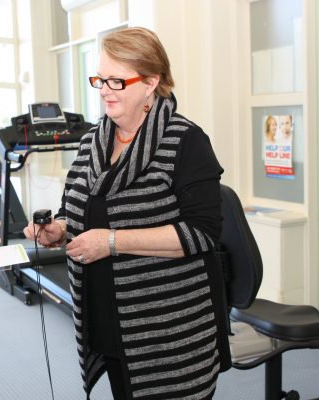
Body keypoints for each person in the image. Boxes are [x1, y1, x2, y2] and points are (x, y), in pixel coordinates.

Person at [24, 27, 229, 400]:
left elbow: (201, 233)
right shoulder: (92, 140)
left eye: (116, 81)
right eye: (100, 79)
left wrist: (113, 242)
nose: (103, 89)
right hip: (107, 317)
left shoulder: (186, 140)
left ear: (151, 83)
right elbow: (79, 214)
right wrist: (59, 230)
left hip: (167, 328)